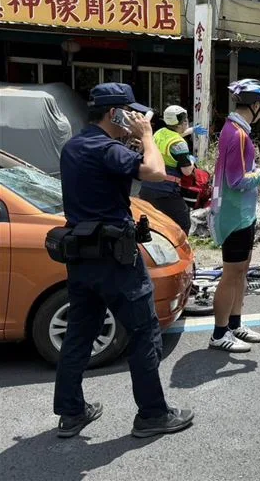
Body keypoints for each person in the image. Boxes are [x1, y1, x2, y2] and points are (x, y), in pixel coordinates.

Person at [54, 83, 193, 439]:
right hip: (116, 260)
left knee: (79, 335)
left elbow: (103, 177)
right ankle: (152, 414)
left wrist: (130, 142)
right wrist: (146, 136)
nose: (135, 118)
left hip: (81, 256)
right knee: (144, 332)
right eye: (129, 113)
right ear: (115, 113)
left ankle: (71, 412)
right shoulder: (106, 149)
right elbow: (156, 171)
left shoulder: (74, 146)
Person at [208, 79, 260, 352]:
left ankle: (235, 325)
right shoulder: (237, 134)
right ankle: (220, 334)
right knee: (231, 275)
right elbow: (236, 180)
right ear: (255, 106)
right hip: (234, 216)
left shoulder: (236, 130)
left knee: (241, 272)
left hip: (243, 214)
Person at [138, 105, 206, 234]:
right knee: (183, 224)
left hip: (147, 188)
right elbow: (186, 171)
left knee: (154, 226)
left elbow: (173, 134)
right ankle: (179, 253)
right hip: (166, 191)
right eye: (186, 120)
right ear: (183, 122)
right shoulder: (179, 144)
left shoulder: (160, 132)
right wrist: (191, 160)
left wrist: (192, 130)